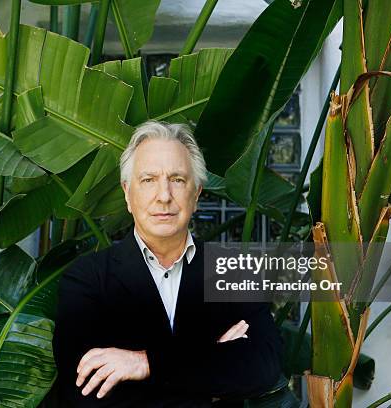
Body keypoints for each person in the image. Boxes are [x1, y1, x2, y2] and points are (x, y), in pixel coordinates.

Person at [52, 120, 283, 407]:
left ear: (196, 194)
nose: (164, 196)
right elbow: (85, 395)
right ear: (127, 193)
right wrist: (211, 364)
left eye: (177, 179)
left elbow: (264, 367)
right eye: (148, 180)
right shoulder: (88, 279)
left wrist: (145, 364)